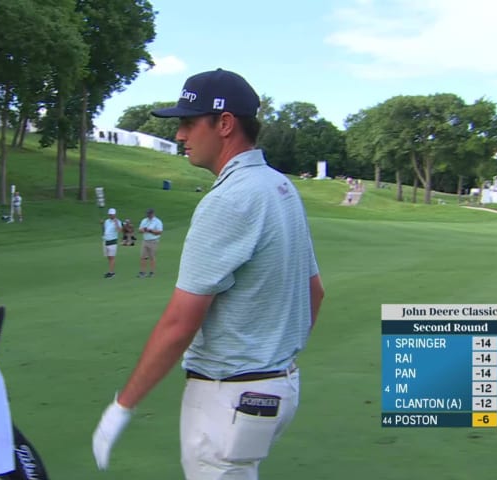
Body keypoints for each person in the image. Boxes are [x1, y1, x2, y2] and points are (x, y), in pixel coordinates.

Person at [92, 69, 325, 479]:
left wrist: (122, 405)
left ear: (225, 123)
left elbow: (180, 322)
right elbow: (315, 293)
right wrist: (273, 359)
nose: (180, 135)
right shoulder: (280, 187)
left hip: (229, 398)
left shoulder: (229, 200)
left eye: (188, 122)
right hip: (278, 387)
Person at [137, 208, 163, 278]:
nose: (148, 215)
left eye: (149, 214)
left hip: (153, 241)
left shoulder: (157, 221)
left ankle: (152, 272)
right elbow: (139, 230)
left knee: (152, 257)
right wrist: (143, 230)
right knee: (143, 257)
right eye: (147, 214)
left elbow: (159, 232)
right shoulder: (144, 220)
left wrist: (151, 231)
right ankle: (143, 272)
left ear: (153, 214)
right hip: (145, 240)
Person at [100, 208, 122, 278]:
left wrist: (116, 223)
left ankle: (111, 272)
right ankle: (110, 271)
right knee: (109, 257)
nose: (111, 215)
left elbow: (119, 230)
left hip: (113, 241)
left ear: (115, 214)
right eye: (110, 214)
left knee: (112, 257)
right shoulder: (107, 221)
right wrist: (102, 225)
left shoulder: (118, 221)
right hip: (106, 241)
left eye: (112, 214)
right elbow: (104, 231)